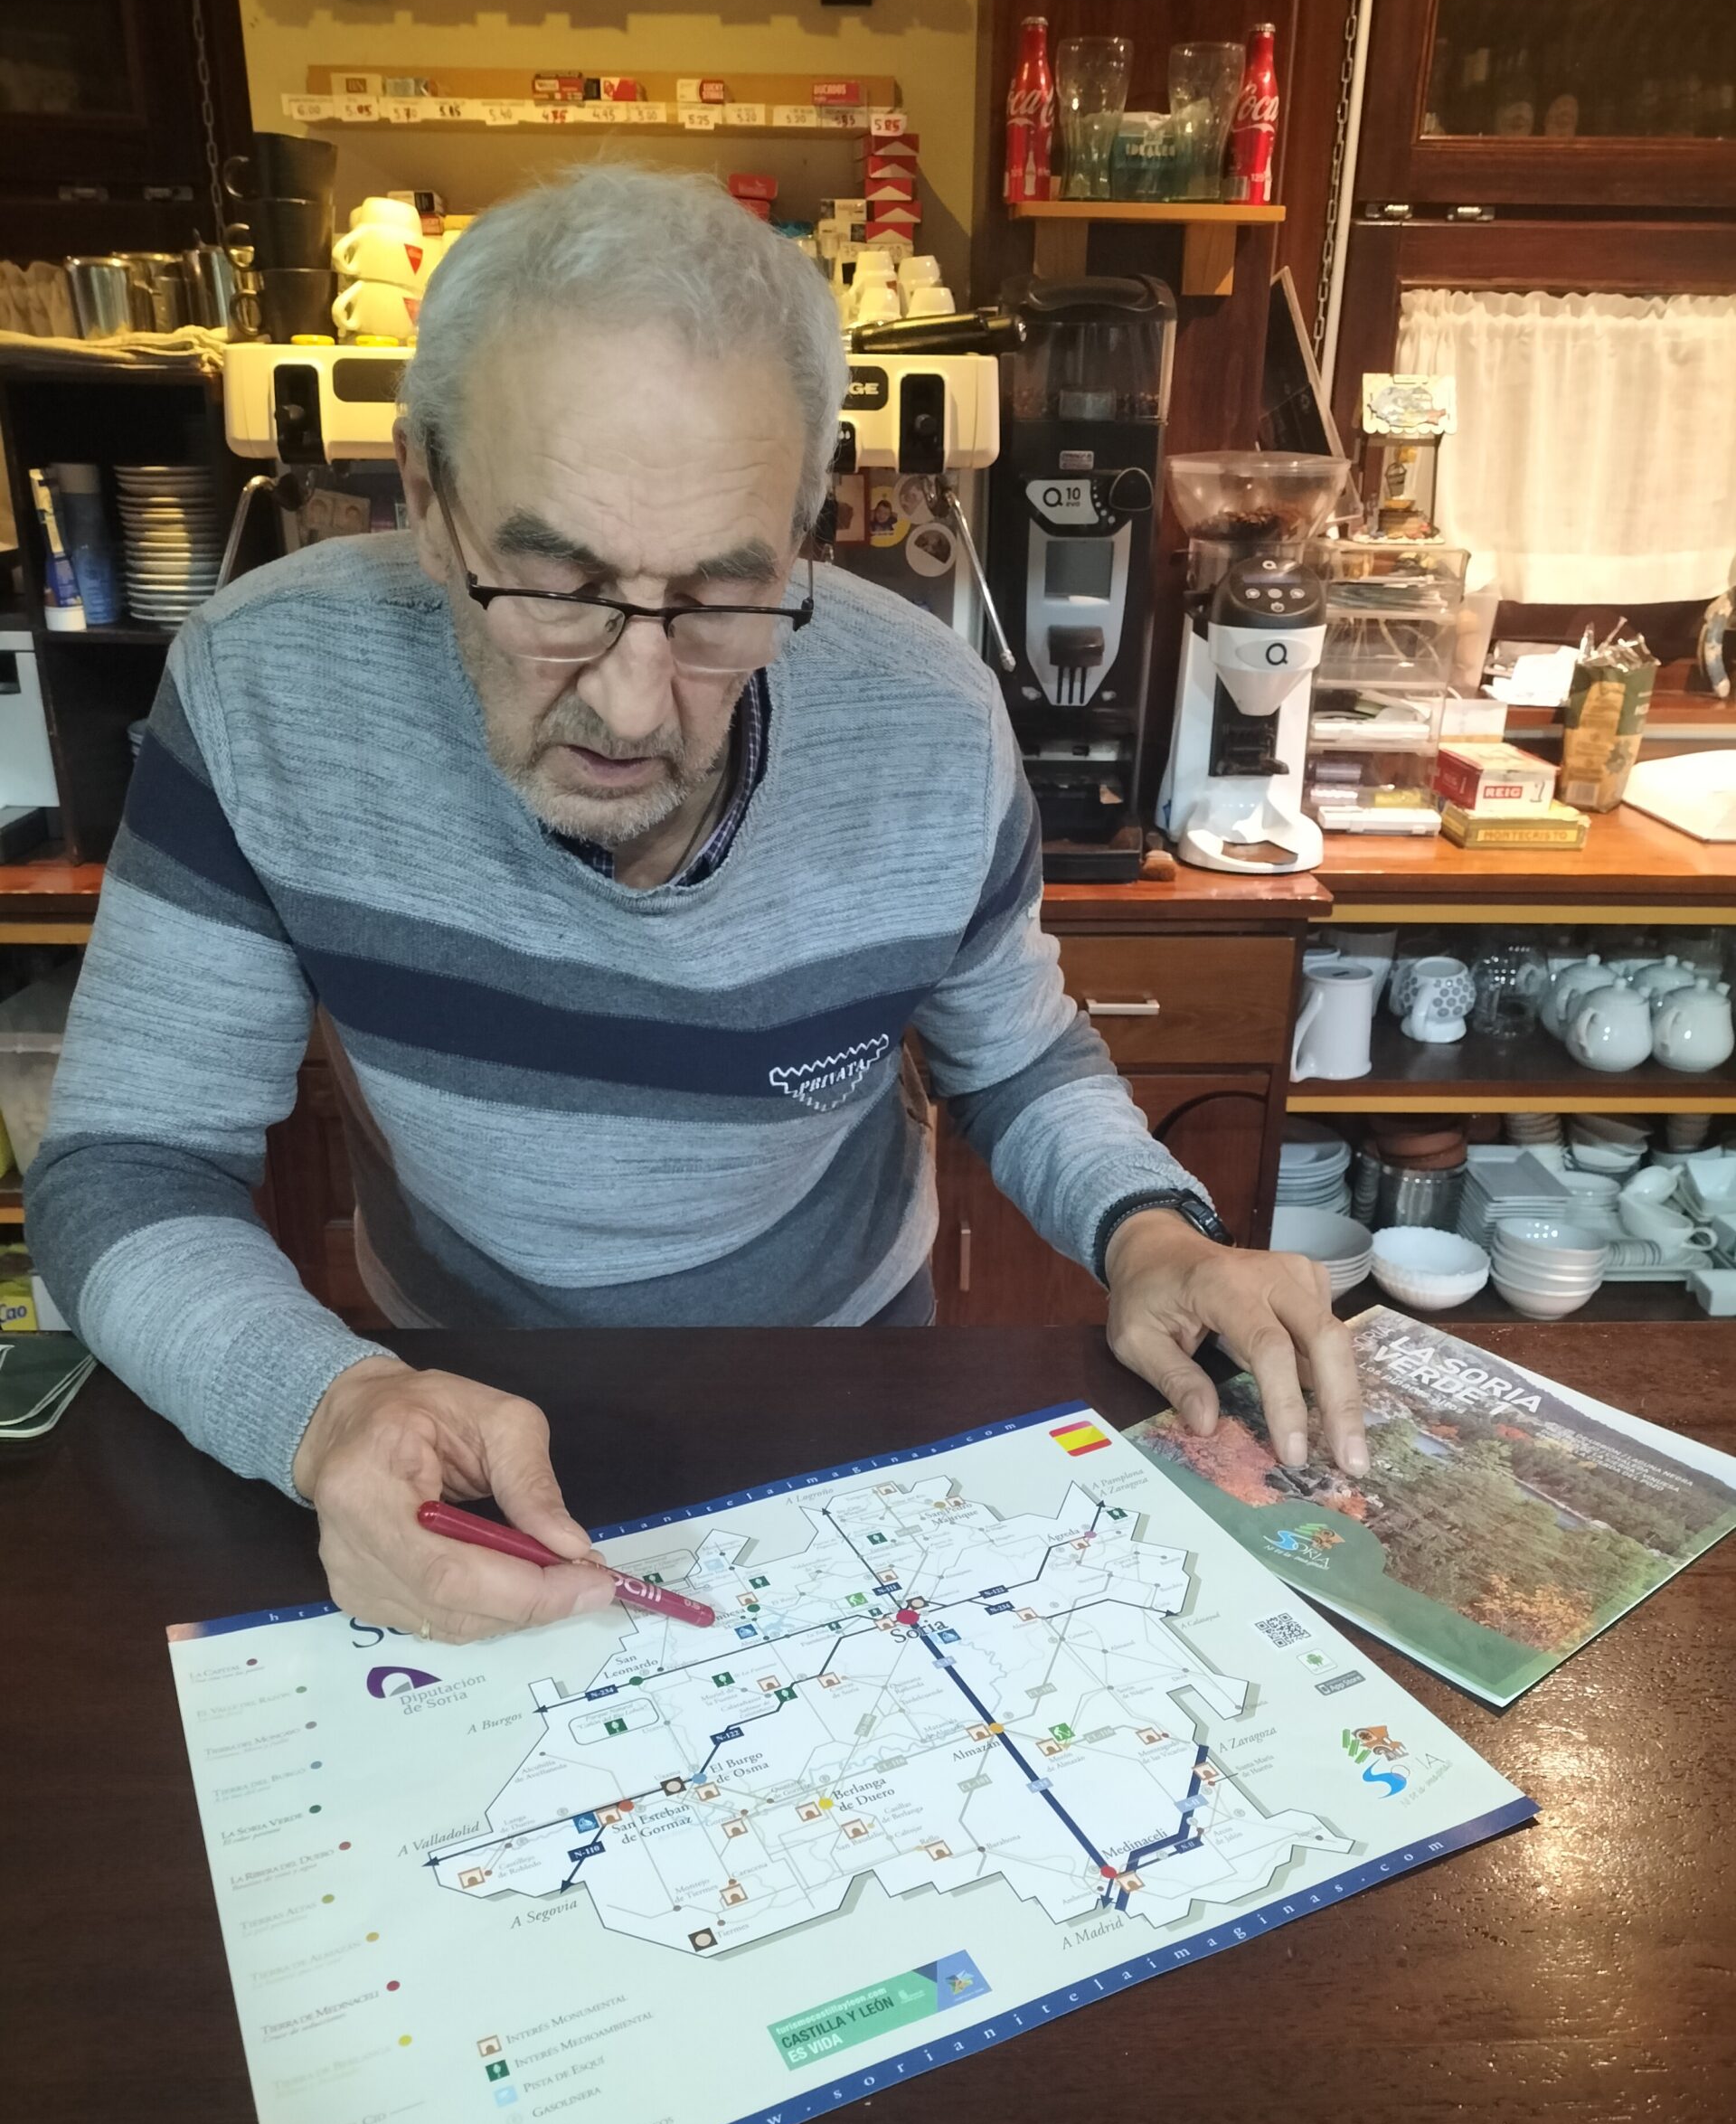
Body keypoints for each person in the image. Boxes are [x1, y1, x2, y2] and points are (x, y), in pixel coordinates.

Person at [28, 165, 1364, 1645]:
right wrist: (326, 1406)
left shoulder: (932, 720)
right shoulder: (262, 690)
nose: (631, 703)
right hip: (444, 1401)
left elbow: (1018, 1058)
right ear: (426, 497)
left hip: (844, 1382)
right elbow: (128, 1165)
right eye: (553, 584)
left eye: (725, 598)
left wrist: (1153, 1237)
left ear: (806, 532)